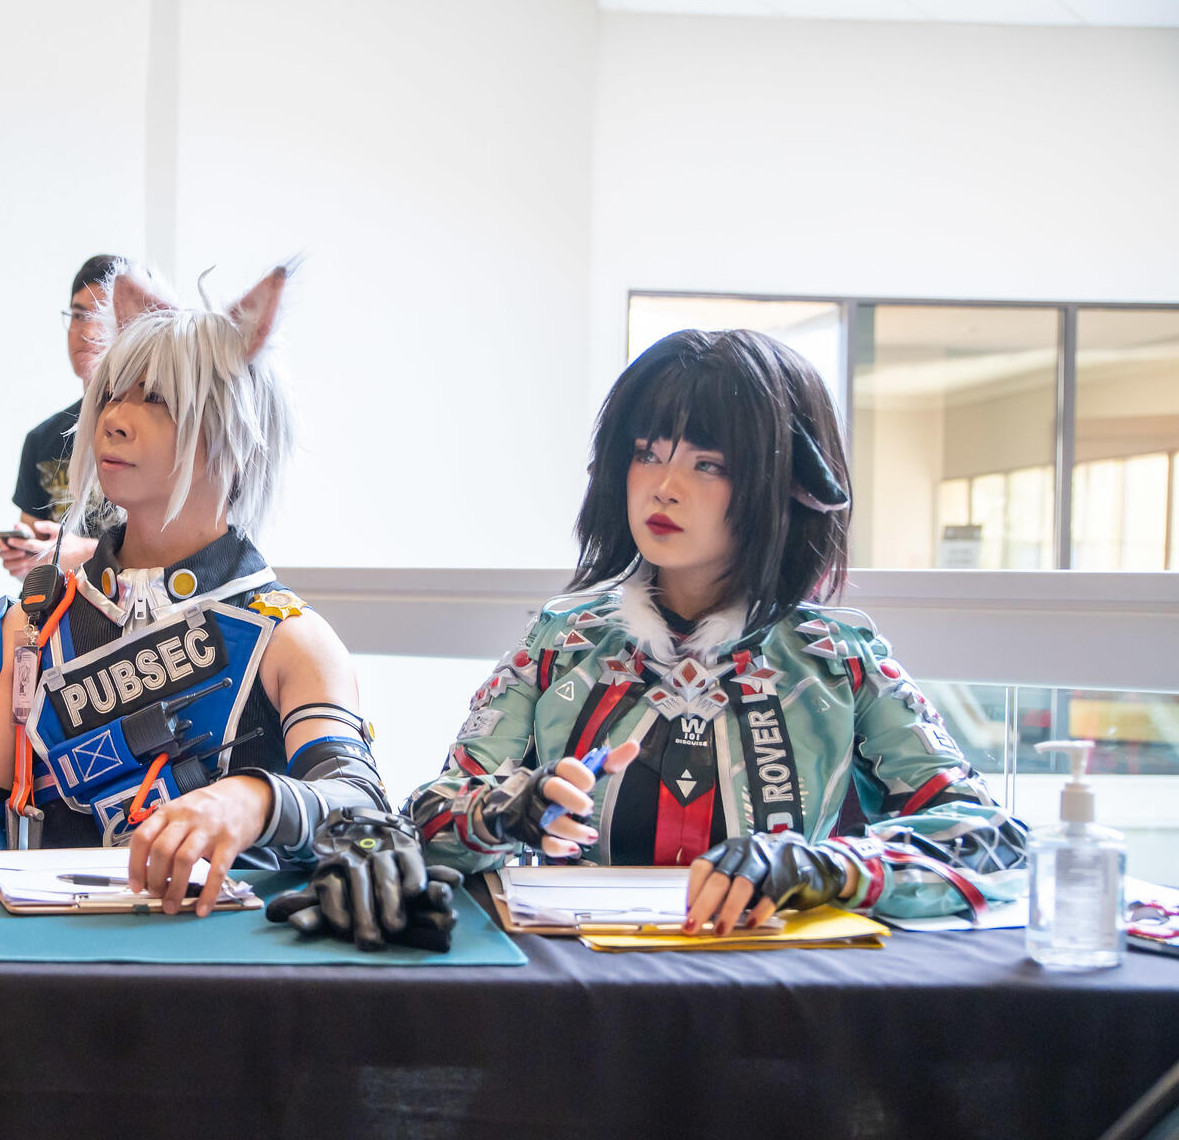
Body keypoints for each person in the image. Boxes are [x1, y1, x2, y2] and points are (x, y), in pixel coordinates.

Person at [410, 328, 1027, 931]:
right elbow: (427, 824)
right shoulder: (560, 643)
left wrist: (825, 865)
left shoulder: (839, 661)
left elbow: (993, 840)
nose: (664, 487)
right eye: (646, 453)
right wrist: (504, 809)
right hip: (579, 987)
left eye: (709, 464)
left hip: (781, 993)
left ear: (785, 487)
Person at [0, 263, 389, 915]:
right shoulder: (33, 624)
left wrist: (253, 798)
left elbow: (362, 807)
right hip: (47, 966)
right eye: (114, 393)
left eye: (157, 399)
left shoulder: (291, 640)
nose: (113, 418)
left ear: (231, 429)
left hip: (227, 976)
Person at [0, 253, 129, 581]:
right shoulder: (42, 441)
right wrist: (28, 558)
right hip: (59, 620)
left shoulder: (152, 435)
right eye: (78, 314)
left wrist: (84, 552)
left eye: (102, 316)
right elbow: (36, 568)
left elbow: (176, 553)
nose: (88, 331)